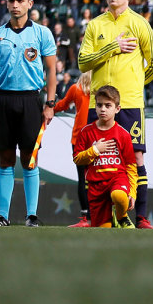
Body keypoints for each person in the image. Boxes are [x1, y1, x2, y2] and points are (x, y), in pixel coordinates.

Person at [77, 0, 153, 229]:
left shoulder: (140, 24)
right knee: (95, 157)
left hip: (130, 103)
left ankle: (141, 217)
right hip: (99, 104)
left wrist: (135, 84)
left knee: (136, 157)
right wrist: (112, 47)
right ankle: (95, 217)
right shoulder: (95, 25)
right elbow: (83, 62)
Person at [0, 0, 57, 227]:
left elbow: (51, 70)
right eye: (11, 0)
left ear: (30, 4)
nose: (15, 5)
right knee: (5, 160)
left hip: (31, 100)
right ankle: (2, 216)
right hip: (3, 100)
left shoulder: (42, 33)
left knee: (29, 158)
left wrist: (50, 103)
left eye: (20, 0)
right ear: (6, 3)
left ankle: (31, 215)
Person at [71, 85, 138, 229]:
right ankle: (112, 218)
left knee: (118, 195)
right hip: (96, 186)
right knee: (103, 231)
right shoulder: (86, 132)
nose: (103, 109)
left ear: (117, 109)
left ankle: (121, 217)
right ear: (95, 107)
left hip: (117, 179)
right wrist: (95, 150)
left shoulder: (123, 134)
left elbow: (131, 166)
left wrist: (132, 192)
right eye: (99, 105)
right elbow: (77, 159)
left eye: (108, 105)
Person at [55, 70, 93, 226]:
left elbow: (64, 104)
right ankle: (99, 214)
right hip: (97, 138)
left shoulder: (76, 88)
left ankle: (85, 216)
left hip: (79, 138)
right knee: (98, 177)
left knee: (82, 178)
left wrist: (50, 108)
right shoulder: (100, 89)